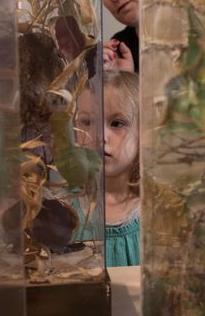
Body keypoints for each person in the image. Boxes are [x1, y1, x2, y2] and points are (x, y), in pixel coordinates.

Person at [73, 70, 140, 267]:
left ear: (141, 132)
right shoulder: (63, 210)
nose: (99, 136)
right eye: (87, 122)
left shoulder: (157, 212)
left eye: (117, 123)